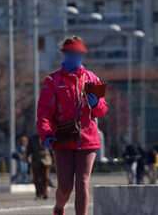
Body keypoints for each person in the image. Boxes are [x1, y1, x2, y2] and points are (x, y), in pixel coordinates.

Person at [37, 36, 109, 215]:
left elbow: (102, 110)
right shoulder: (52, 81)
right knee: (65, 186)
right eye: (70, 53)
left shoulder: (93, 79)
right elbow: (44, 113)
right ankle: (59, 207)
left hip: (88, 138)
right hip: (63, 138)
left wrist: (95, 104)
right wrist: (46, 134)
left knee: (83, 182)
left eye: (77, 54)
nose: (74, 57)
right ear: (63, 54)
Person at [27, 134, 53, 199]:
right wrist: (27, 156)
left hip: (46, 159)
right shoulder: (32, 138)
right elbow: (29, 149)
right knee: (36, 178)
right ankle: (38, 193)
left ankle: (45, 193)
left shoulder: (48, 137)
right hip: (36, 159)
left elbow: (52, 149)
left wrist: (54, 160)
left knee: (46, 178)